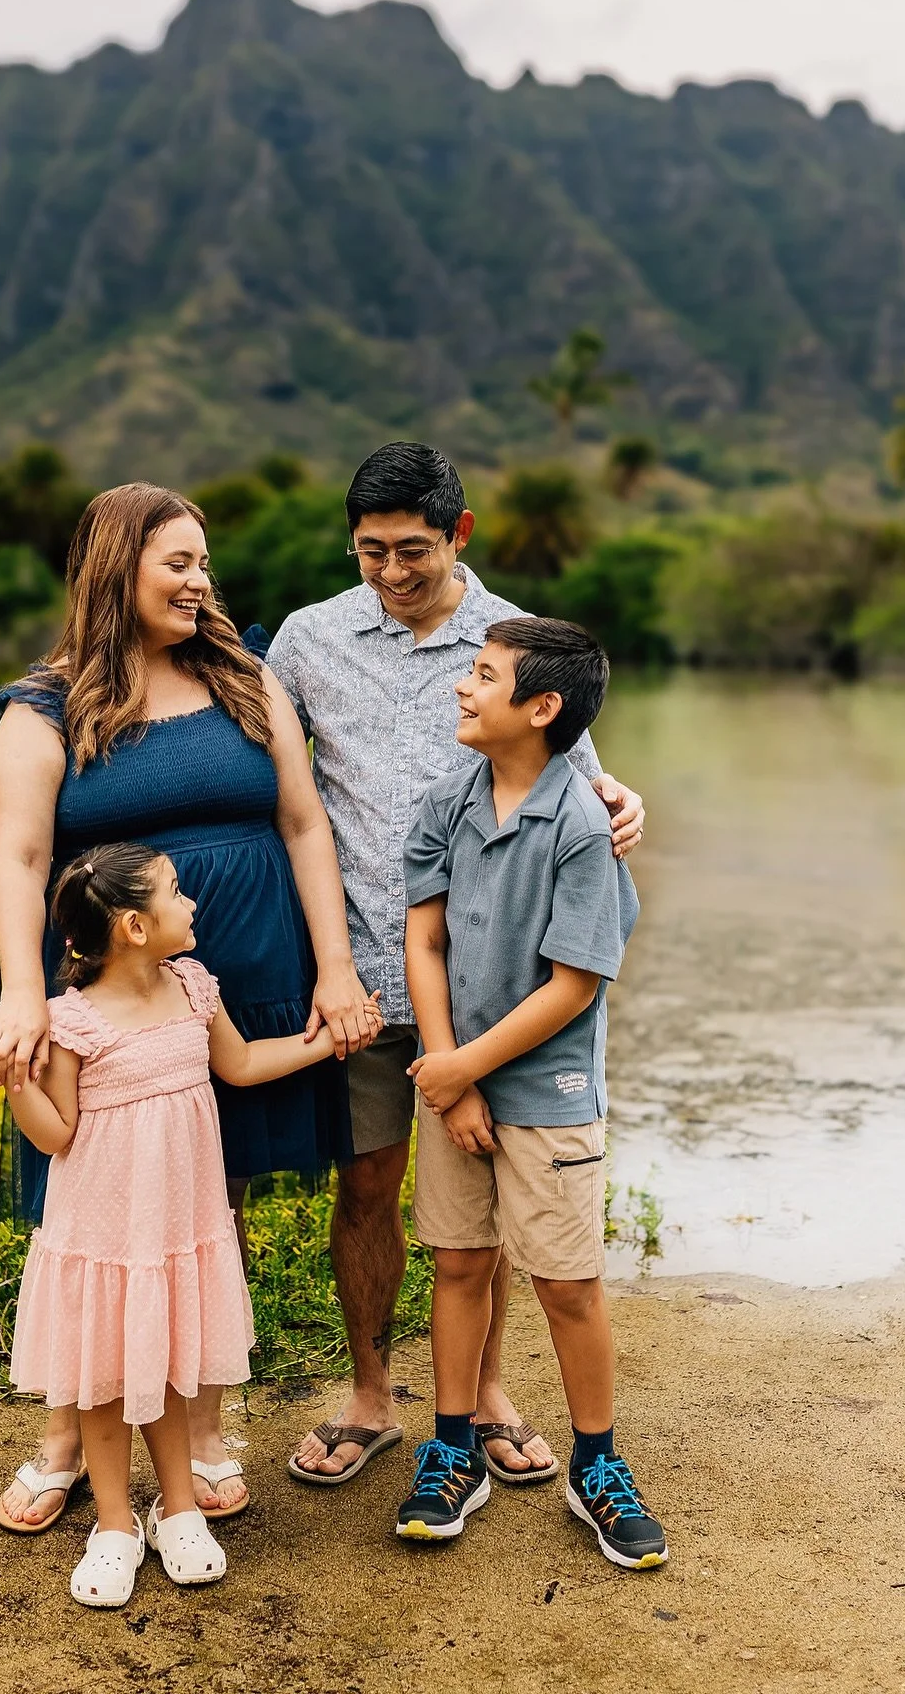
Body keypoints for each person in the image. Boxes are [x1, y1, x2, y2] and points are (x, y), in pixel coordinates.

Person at [0, 483, 373, 1533]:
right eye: (178, 564)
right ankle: (68, 1432)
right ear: (117, 571)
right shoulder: (44, 706)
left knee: (210, 1195)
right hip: (111, 990)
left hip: (240, 968)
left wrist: (334, 969)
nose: (201, 581)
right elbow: (17, 858)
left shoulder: (245, 681)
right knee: (86, 1202)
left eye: (204, 563)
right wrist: (25, 994)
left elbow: (305, 825)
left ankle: (199, 1432)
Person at [269, 444, 646, 1488]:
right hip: (359, 976)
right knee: (369, 1185)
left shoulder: (514, 644)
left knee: (477, 1204)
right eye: (370, 552)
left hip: (490, 988)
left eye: (414, 552)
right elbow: (265, 773)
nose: (390, 573)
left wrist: (626, 801)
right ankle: (367, 1394)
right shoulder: (306, 640)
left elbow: (577, 776)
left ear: (460, 535)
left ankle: (480, 1392)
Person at [4, 841, 382, 1606]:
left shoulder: (193, 987)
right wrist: (14, 1079)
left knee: (172, 1368)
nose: (193, 905)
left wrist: (325, 1041)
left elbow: (239, 1067)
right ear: (135, 928)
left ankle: (177, 1510)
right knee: (104, 1381)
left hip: (177, 1229)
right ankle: (114, 1524)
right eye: (177, 894)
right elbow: (57, 1134)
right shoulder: (69, 1021)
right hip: (106, 1238)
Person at [398, 616, 667, 1570]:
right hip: (454, 1082)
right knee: (461, 1264)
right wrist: (447, 1072)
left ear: (541, 708)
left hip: (547, 1093)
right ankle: (452, 1448)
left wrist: (468, 1068)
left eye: (484, 675)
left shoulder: (586, 826)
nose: (463, 688)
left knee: (565, 1282)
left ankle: (596, 1464)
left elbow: (574, 985)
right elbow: (423, 941)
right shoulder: (443, 805)